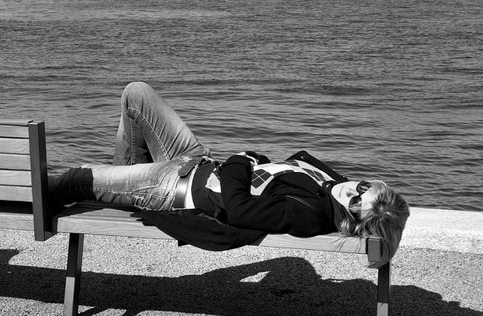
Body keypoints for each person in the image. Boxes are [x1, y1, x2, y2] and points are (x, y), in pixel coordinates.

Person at [49, 82, 409, 268]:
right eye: (364, 188)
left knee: (75, 181)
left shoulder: (308, 213)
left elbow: (237, 209)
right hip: (193, 160)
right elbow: (294, 163)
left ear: (353, 219)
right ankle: (123, 182)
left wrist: (240, 158)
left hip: (172, 188)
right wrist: (331, 182)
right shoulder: (329, 188)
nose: (353, 193)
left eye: (358, 203)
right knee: (136, 94)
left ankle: (118, 187)